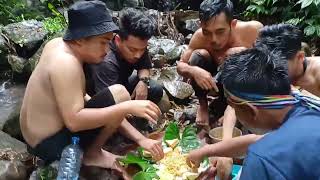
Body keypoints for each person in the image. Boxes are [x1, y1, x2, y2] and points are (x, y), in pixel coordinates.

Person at [20, 1, 163, 175]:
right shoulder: (66, 63)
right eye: (103, 43)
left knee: (119, 96)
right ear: (80, 39)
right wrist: (126, 107)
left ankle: (93, 150)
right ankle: (92, 154)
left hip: (35, 138)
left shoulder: (58, 44)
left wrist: (121, 110)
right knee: (120, 95)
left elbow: (78, 96)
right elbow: (74, 122)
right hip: (49, 145)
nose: (107, 49)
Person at [187, 46, 320, 179]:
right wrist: (206, 151)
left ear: (249, 110)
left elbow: (264, 148)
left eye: (233, 107)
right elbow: (259, 140)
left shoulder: (262, 160)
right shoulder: (307, 108)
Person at [177, 0, 263, 127]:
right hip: (216, 83)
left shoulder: (253, 30)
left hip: (247, 86)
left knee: (236, 53)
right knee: (198, 56)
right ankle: (203, 106)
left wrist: (246, 54)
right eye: (207, 32)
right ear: (200, 25)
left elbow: (273, 61)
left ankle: (236, 108)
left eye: (220, 31)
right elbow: (180, 65)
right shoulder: (199, 37)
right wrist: (194, 71)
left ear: (233, 24)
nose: (214, 39)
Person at [85, 8, 164, 105]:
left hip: (122, 82)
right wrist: (129, 109)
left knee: (155, 89)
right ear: (118, 40)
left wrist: (143, 81)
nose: (138, 55)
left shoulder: (137, 45)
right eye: (132, 50)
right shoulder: (105, 59)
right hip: (99, 94)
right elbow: (109, 102)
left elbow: (144, 66)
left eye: (142, 49)